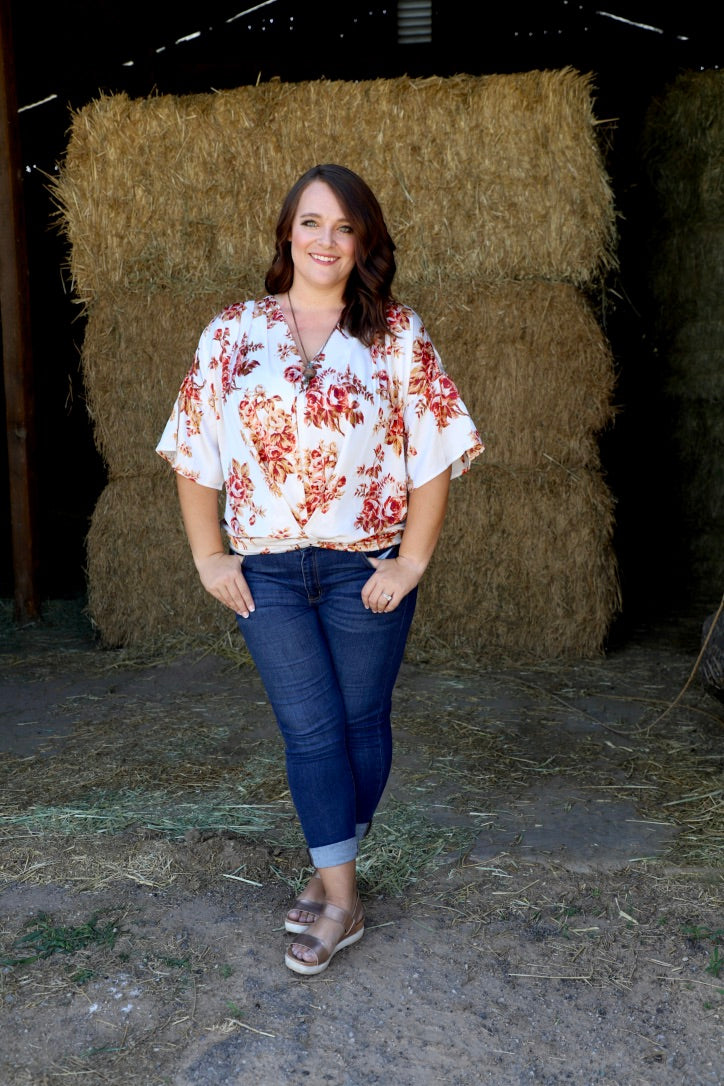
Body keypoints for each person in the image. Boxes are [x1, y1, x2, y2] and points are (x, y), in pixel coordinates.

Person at [157, 163, 483, 976]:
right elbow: (193, 454)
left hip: (360, 567)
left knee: (362, 726)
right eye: (311, 222)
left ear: (364, 239)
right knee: (310, 728)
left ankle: (329, 873)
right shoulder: (232, 332)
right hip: (265, 571)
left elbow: (433, 457)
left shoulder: (396, 334)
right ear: (286, 233)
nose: (326, 240)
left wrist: (411, 563)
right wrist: (207, 555)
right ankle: (345, 901)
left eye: (344, 226)